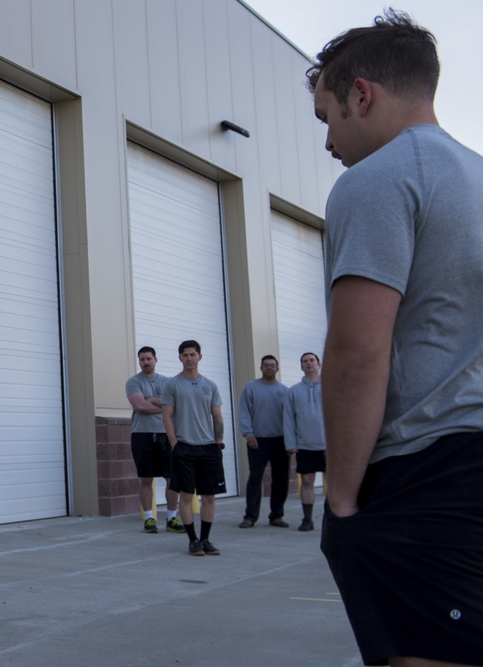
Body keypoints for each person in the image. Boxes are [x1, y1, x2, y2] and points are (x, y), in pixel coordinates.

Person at [310, 11, 483, 666]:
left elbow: (357, 351)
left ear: (362, 93)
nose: (328, 142)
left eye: (329, 117)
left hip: (425, 475)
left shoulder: (377, 179)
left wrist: (343, 501)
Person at [161, 340, 226, 556]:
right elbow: (167, 417)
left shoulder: (210, 385)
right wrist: (174, 444)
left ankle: (206, 539)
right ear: (179, 358)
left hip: (208, 448)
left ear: (200, 357)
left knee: (209, 496)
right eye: (185, 355)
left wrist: (218, 443)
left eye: (193, 354)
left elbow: (217, 416)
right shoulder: (172, 385)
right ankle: (193, 541)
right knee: (186, 496)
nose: (189, 358)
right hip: (184, 448)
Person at [125, 346, 182, 534]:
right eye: (142, 359)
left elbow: (176, 407)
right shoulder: (133, 382)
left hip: (167, 435)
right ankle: (149, 518)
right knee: (145, 478)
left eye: (148, 358)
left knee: (172, 477)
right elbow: (140, 406)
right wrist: (163, 404)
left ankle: (172, 518)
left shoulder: (168, 382)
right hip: (142, 435)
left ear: (156, 360)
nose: (145, 362)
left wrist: (153, 400)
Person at [237, 355, 289, 529]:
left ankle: (276, 515)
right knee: (255, 478)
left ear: (277, 368)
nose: (269, 368)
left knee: (280, 479)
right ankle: (250, 516)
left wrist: (291, 440)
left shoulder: (285, 391)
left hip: (280, 441)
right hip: (257, 441)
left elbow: (290, 418)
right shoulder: (250, 388)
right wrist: (248, 434)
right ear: (261, 368)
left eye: (272, 365)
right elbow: (244, 412)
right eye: (266, 365)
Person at [282, 352, 325, 532]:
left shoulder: (330, 386)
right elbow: (289, 419)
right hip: (305, 445)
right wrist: (291, 444)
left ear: (319, 364)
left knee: (337, 483)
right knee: (307, 481)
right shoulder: (294, 391)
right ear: (301, 367)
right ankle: (307, 519)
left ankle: (336, 518)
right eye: (305, 362)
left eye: (311, 361)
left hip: (329, 446)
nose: (308, 364)